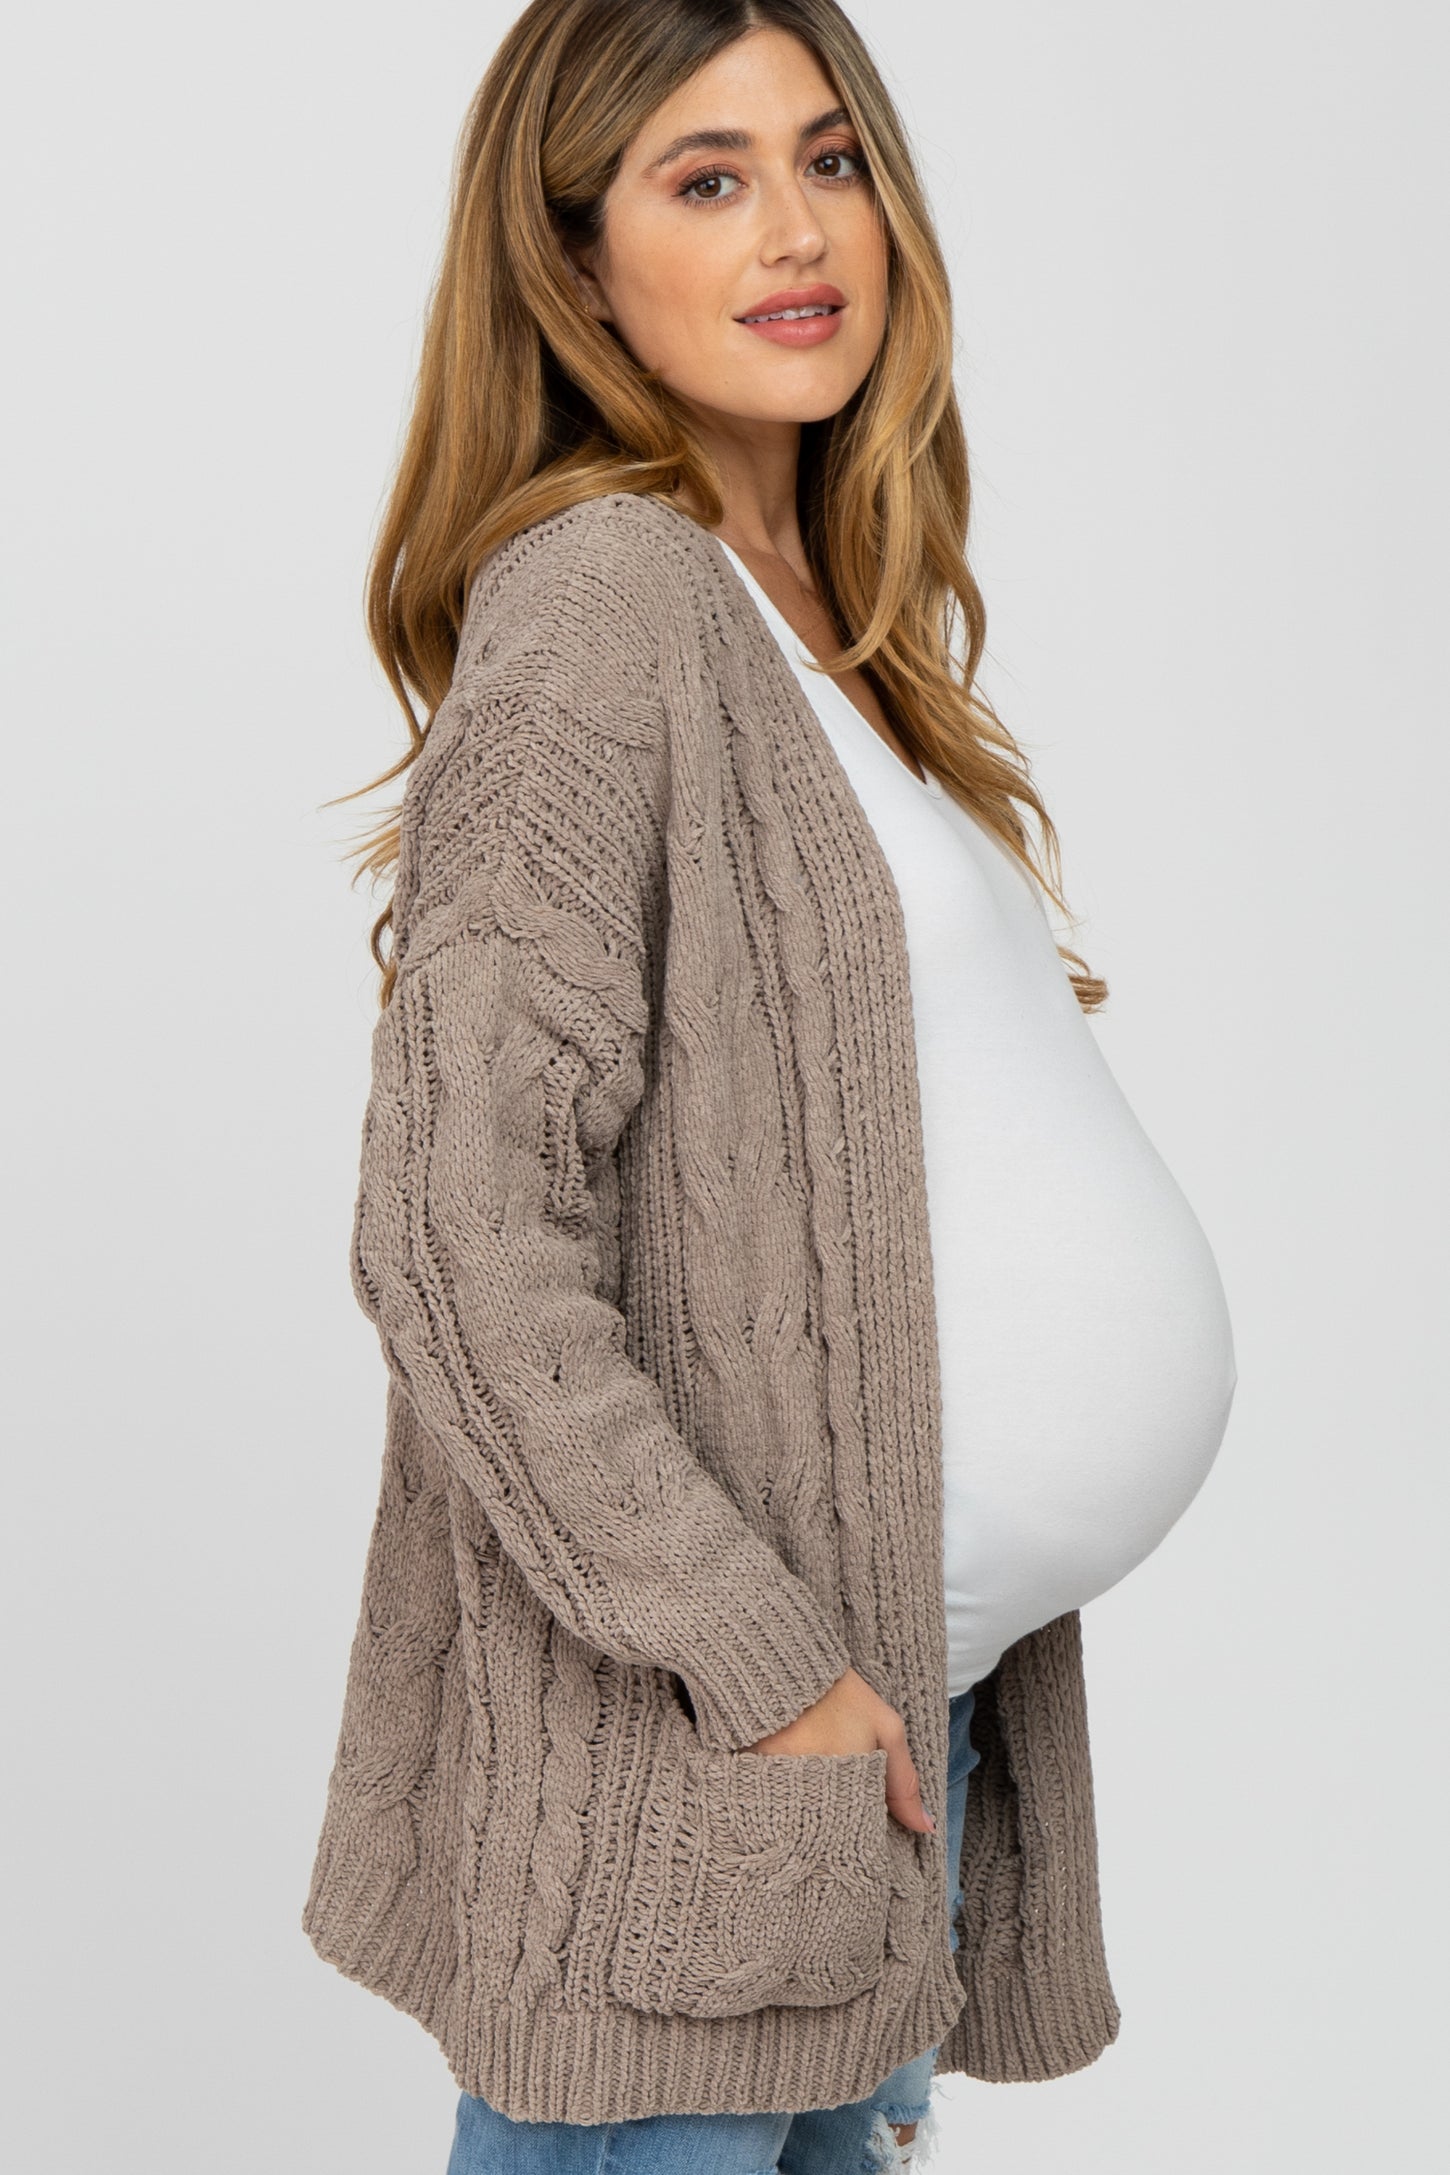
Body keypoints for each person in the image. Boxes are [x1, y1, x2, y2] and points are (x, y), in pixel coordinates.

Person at [301, 3, 1239, 2169]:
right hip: (716, 1775)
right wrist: (761, 1665)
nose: (797, 230)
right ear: (573, 258)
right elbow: (453, 1230)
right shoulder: (605, 601)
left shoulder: (828, 624)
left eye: (829, 160)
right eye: (704, 179)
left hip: (877, 1756)